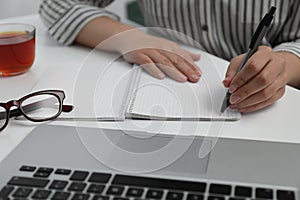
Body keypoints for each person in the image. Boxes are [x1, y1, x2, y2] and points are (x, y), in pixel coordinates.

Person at [39, 0, 300, 113]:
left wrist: (283, 66)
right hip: (164, 86)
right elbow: (57, 5)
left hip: (277, 108)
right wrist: (128, 37)